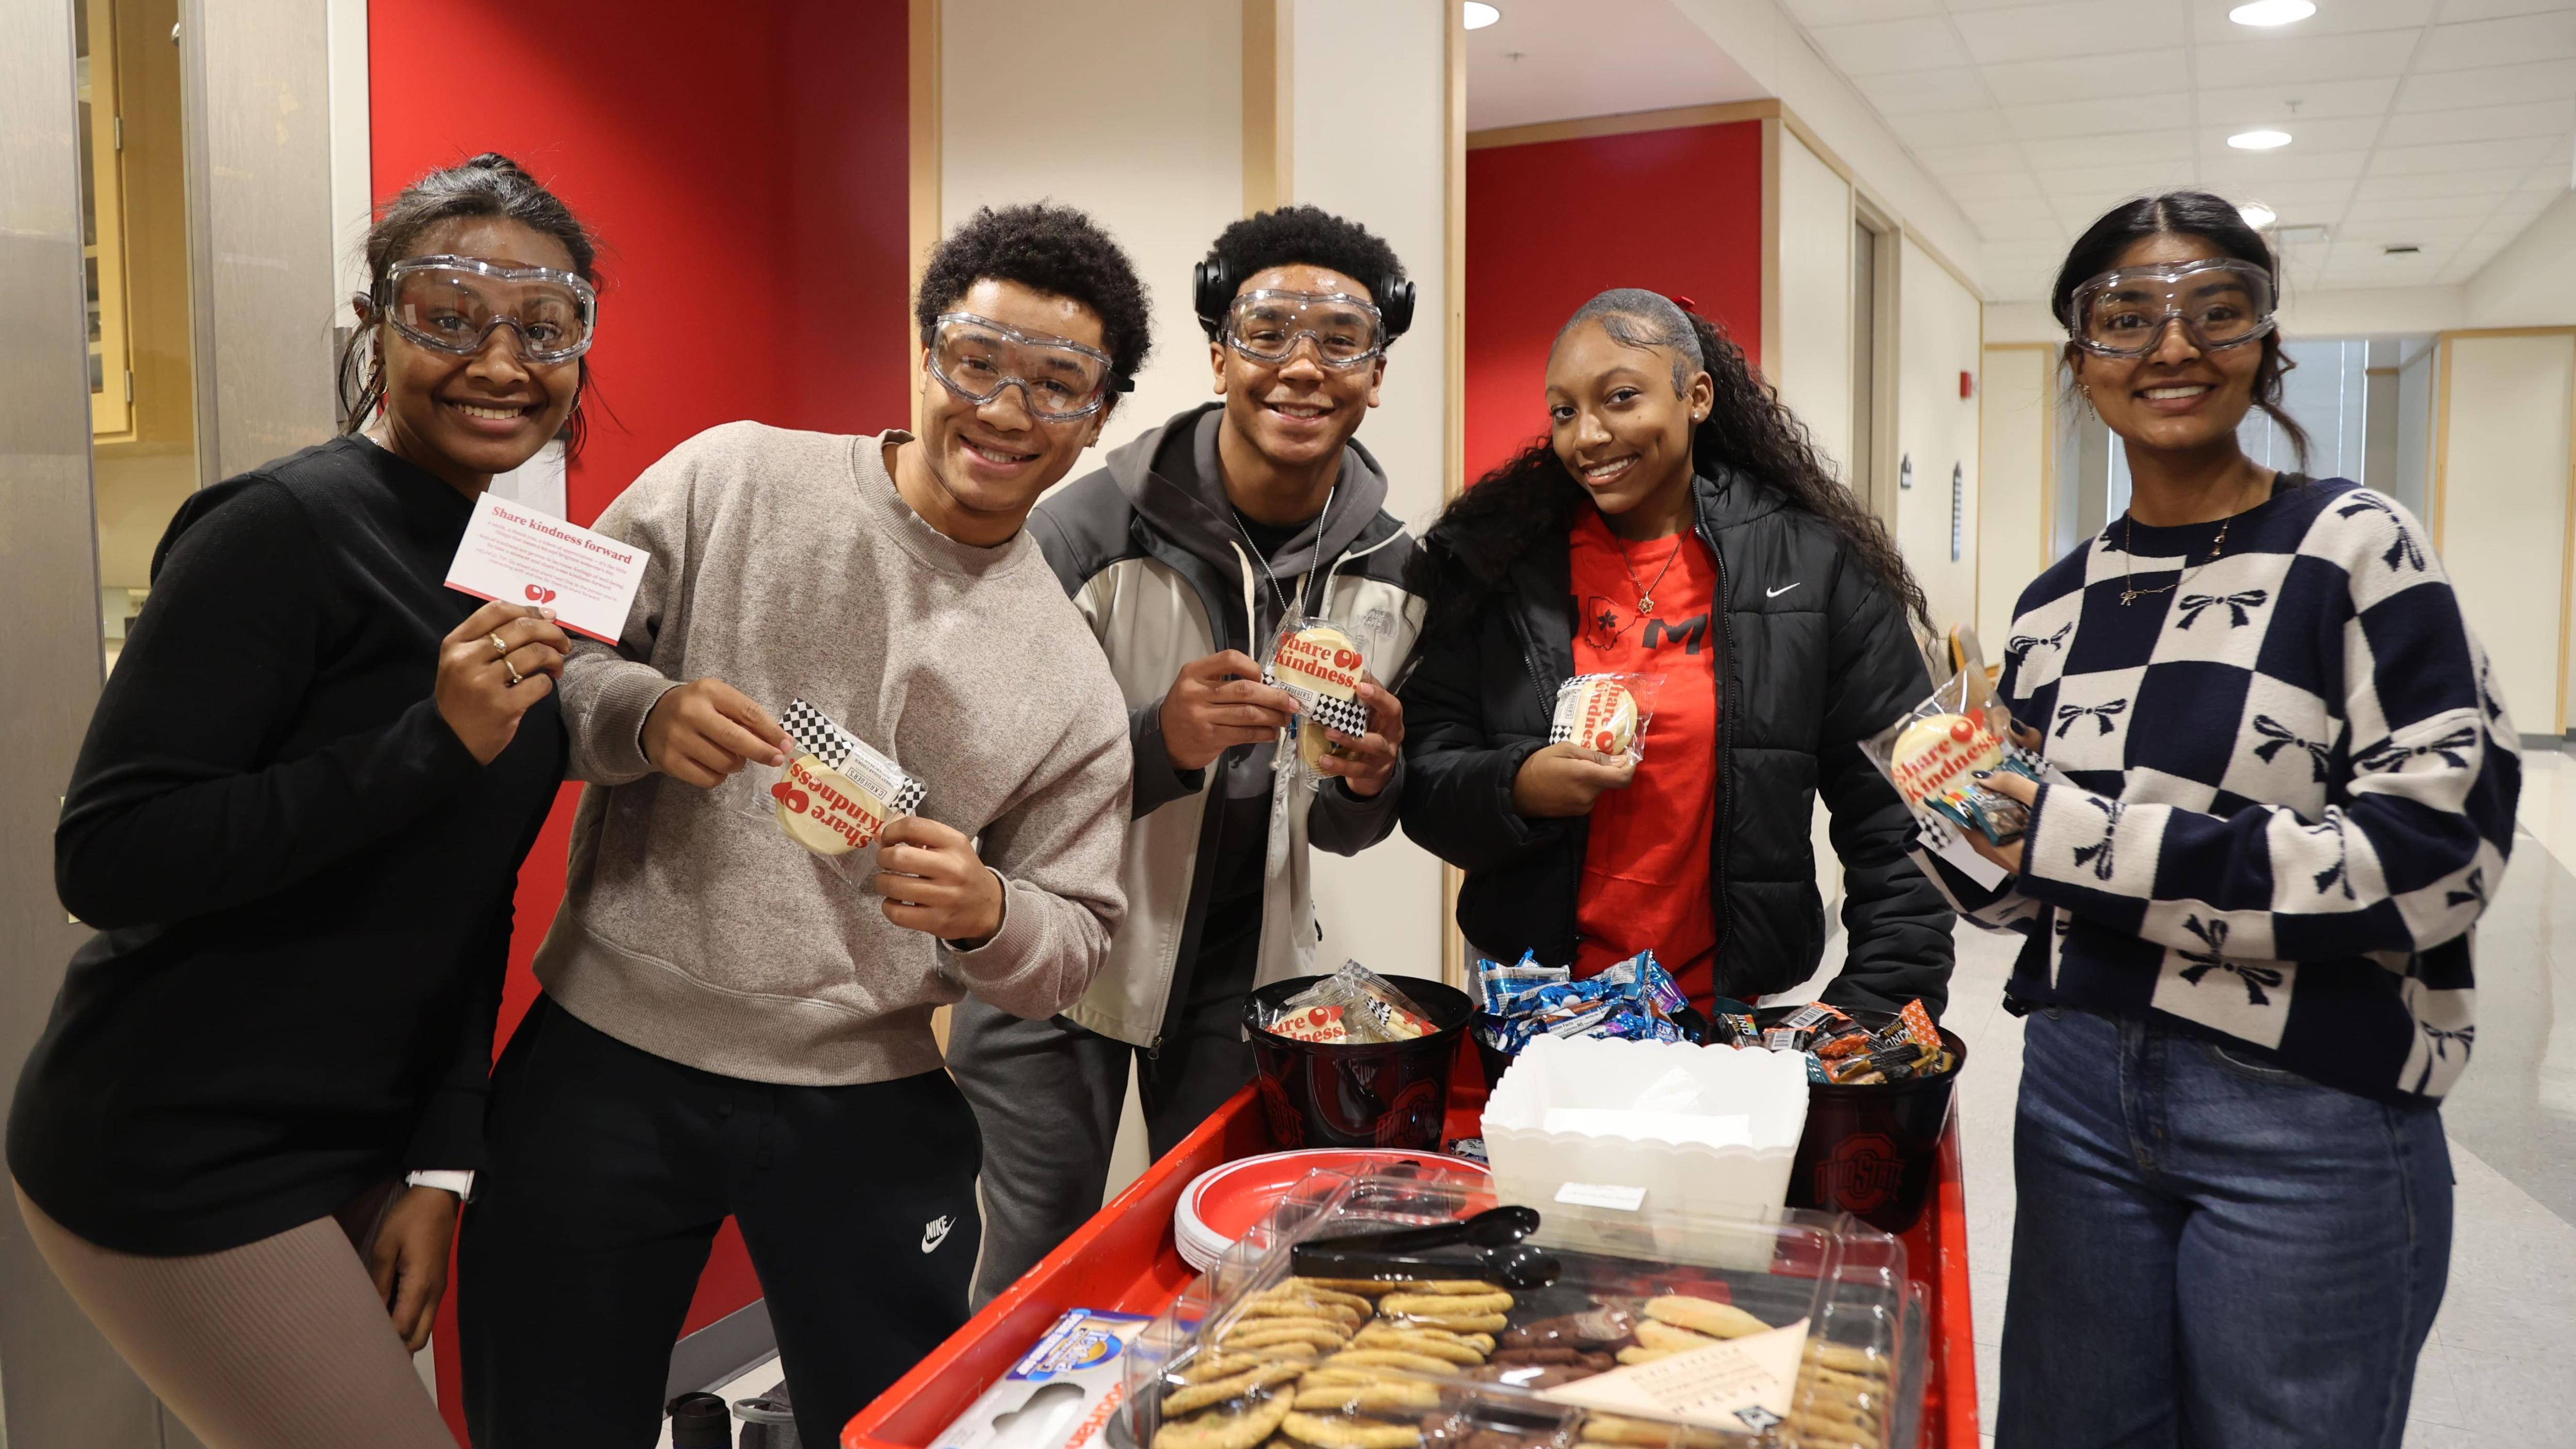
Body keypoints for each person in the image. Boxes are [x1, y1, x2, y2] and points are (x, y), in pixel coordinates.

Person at [458, 202, 1141, 1449]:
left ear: (1098, 417)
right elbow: (539, 646)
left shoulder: (1068, 675)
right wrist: (640, 714)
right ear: (925, 350)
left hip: (866, 1093)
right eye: (977, 360)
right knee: (540, 1416)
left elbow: (1077, 942)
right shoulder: (736, 475)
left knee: (889, 1428)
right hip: (606, 1054)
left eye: (1057, 385)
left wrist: (992, 914)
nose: (1003, 410)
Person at [7, 153, 588, 1449]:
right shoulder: (279, 531)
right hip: (182, 1142)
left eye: (543, 329)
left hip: (364, 1135)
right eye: (449, 317)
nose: (500, 361)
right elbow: (107, 857)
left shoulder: (504, 557)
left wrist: (444, 1159)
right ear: (379, 329)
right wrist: (425, 744)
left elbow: (470, 890)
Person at [1934, 192, 2519, 1449]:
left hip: (2309, 1095)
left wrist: (2078, 839)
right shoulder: (2051, 606)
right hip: (2080, 1088)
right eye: (2125, 317)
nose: (2171, 348)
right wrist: (1949, 818)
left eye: (2216, 309)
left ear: (2264, 342)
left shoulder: (2354, 547)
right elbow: (2020, 894)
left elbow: (2438, 858)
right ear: (2078, 356)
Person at [948, 205, 1427, 1307]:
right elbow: (985, 782)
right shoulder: (1078, 532)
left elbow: (1347, 827)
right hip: (1051, 953)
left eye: (1341, 340)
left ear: (1377, 371)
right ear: (1219, 355)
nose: (1301, 368)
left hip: (1237, 967)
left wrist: (1368, 779)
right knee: (1035, 1275)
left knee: (1229, 1263)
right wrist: (1157, 745)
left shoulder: (1395, 572)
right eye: (1267, 333)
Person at [1400, 289, 1954, 1016]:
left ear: (1695, 396)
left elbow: (1897, 809)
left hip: (1721, 1009)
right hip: (1533, 1005)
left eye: (1620, 398)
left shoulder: (1809, 565)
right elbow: (1424, 776)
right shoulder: (1497, 567)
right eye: (1564, 411)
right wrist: (1517, 786)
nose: (1587, 436)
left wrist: (1881, 1004)